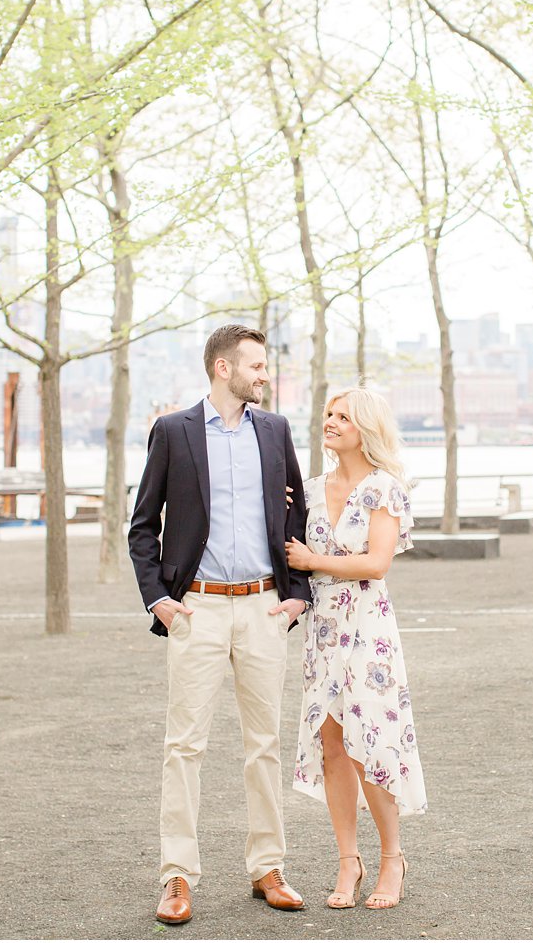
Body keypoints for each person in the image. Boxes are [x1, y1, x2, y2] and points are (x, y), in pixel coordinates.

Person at [127, 324, 313, 925]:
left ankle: (268, 867)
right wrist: (159, 598)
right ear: (222, 369)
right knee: (184, 746)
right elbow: (142, 525)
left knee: (265, 745)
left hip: (263, 609)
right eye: (256, 366)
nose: (265, 375)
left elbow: (296, 517)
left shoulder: (276, 431)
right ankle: (177, 876)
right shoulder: (173, 432)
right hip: (197, 609)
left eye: (265, 366)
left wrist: (297, 595)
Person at [284, 386, 426, 911]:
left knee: (373, 746)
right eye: (328, 413)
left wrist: (311, 561)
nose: (331, 422)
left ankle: (392, 859)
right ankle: (349, 860)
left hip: (369, 629)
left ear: (365, 427)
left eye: (343, 416)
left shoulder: (383, 489)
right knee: (333, 747)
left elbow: (375, 564)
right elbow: (287, 551)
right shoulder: (311, 490)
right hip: (323, 631)